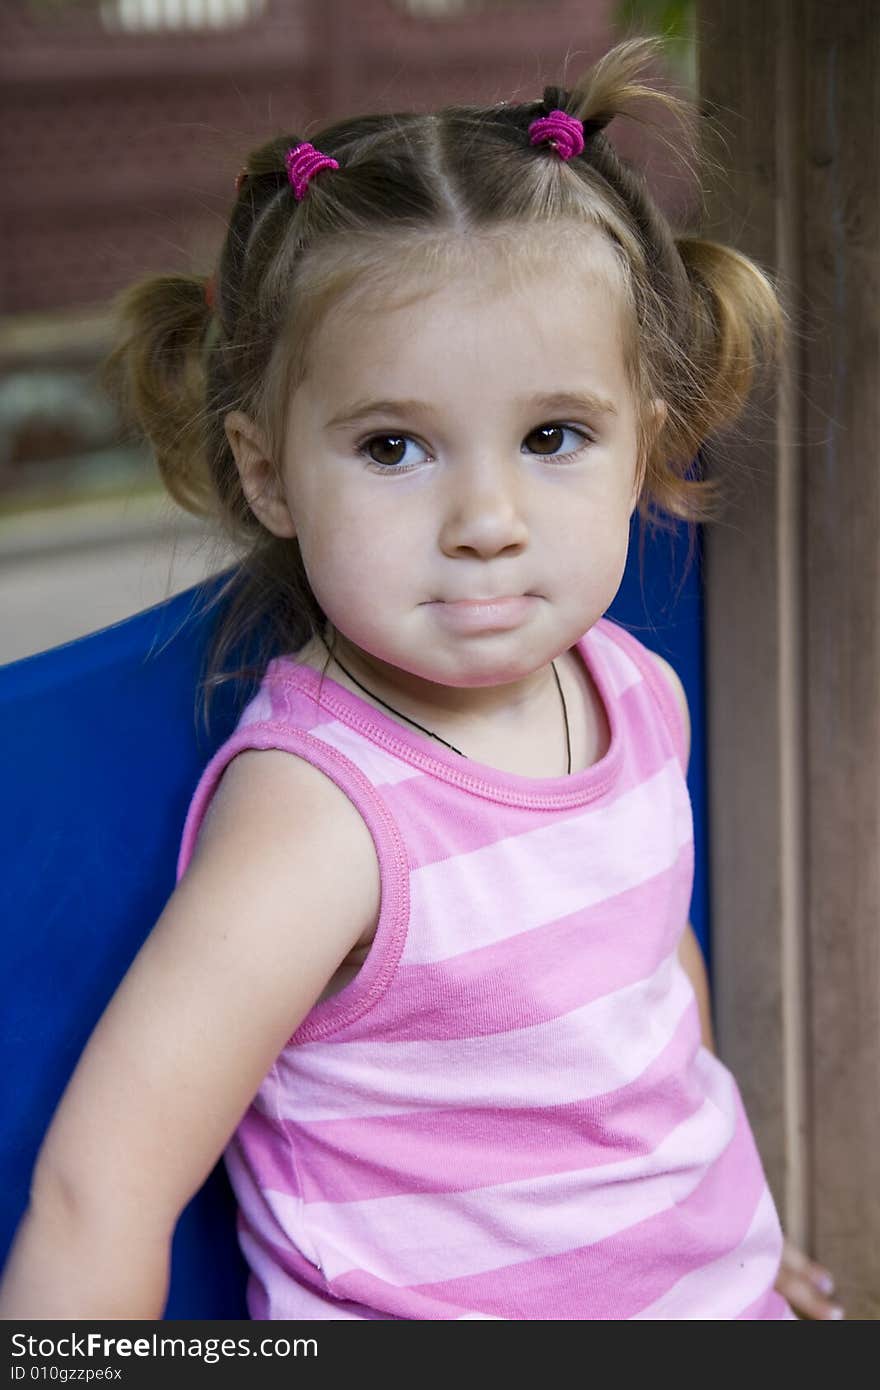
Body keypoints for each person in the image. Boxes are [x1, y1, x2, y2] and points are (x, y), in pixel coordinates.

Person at [0, 38, 843, 1321]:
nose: (487, 518)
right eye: (395, 445)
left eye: (552, 436)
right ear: (269, 472)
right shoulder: (327, 818)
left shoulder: (628, 690)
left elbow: (647, 990)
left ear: (643, 446)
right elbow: (98, 1190)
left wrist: (716, 1229)